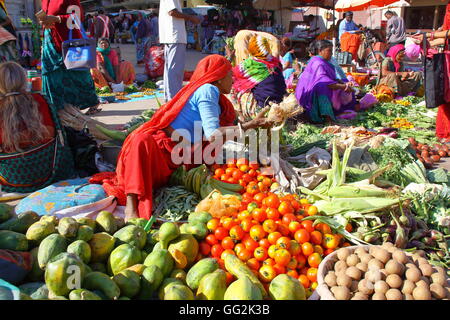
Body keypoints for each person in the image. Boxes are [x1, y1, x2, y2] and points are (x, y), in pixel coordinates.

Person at [99, 55, 274, 220]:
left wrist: (252, 127)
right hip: (161, 149)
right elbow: (213, 134)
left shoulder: (215, 95)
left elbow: (219, 130)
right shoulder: (208, 90)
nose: (233, 79)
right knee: (141, 141)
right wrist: (250, 126)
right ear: (219, 77)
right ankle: (131, 204)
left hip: (183, 151)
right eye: (230, 74)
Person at [0, 62, 75, 193]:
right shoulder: (41, 99)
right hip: (50, 169)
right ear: (23, 79)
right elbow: (56, 132)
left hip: (12, 179)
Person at [38, 0, 100, 114]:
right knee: (52, 73)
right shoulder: (45, 1)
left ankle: (91, 102)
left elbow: (78, 17)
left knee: (77, 72)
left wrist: (57, 19)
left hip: (68, 40)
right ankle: (57, 106)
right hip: (51, 40)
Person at [295, 40, 357, 124]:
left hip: (312, 90)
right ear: (320, 51)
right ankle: (327, 118)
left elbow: (330, 78)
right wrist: (344, 87)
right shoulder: (318, 63)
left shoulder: (322, 61)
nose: (331, 54)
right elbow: (325, 82)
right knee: (322, 88)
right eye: (329, 51)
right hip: (308, 96)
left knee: (343, 82)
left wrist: (343, 83)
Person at [159, 0, 200, 102]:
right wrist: (191, 18)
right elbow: (172, 12)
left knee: (170, 70)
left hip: (172, 37)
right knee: (175, 70)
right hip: (174, 36)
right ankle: (174, 99)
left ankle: (170, 98)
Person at [233, 35, 287, 109]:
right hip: (280, 101)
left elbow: (232, 74)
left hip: (263, 107)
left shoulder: (249, 64)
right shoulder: (276, 62)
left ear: (251, 49)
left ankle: (240, 116)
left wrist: (230, 57)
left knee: (234, 89)